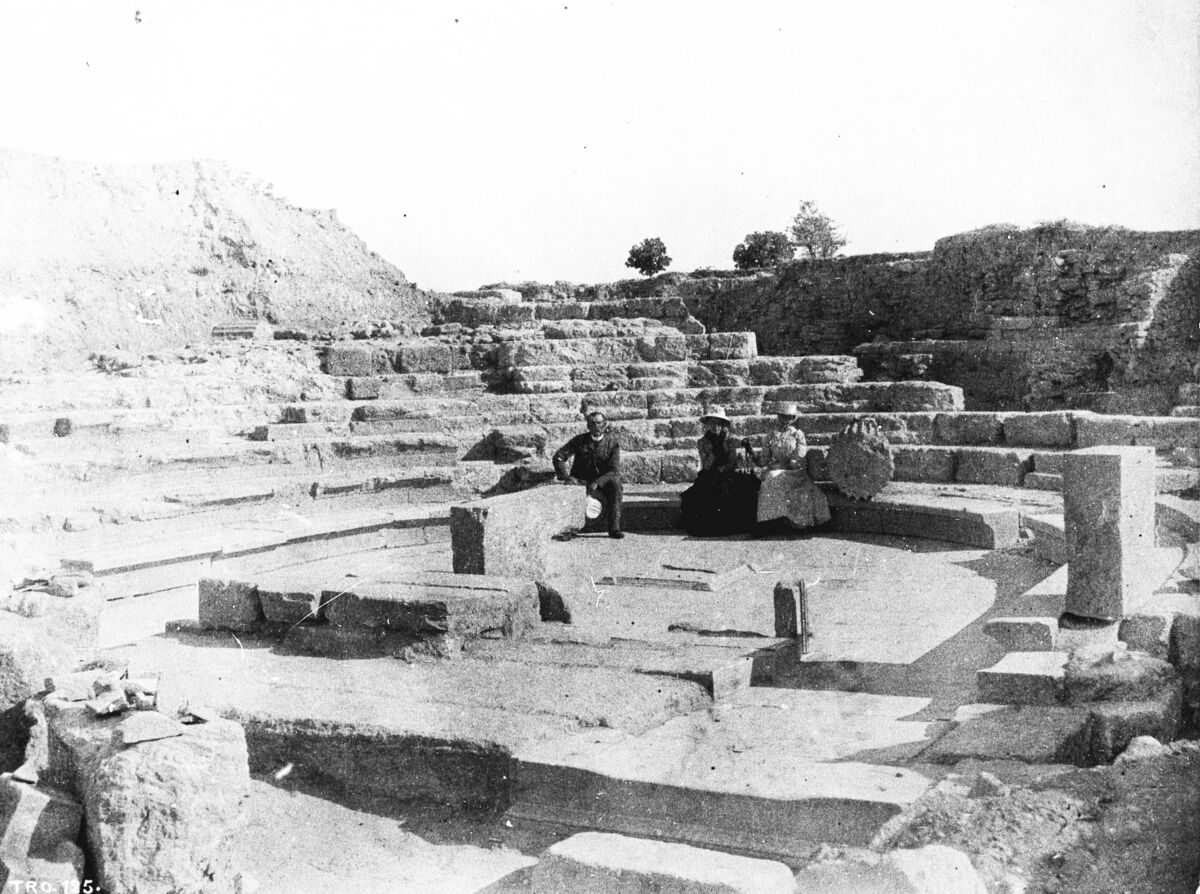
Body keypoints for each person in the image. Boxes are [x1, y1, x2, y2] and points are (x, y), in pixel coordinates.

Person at [747, 402, 830, 534]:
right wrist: (753, 455)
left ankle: (789, 522)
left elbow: (799, 456)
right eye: (782, 417)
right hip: (776, 470)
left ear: (793, 419)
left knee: (774, 477)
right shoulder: (770, 436)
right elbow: (764, 460)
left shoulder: (797, 435)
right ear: (778, 417)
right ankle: (767, 521)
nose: (785, 420)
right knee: (770, 478)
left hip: (795, 472)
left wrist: (792, 461)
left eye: (788, 417)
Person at [679, 406, 760, 536]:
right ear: (708, 424)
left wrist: (722, 462)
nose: (715, 426)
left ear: (722, 425)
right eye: (712, 423)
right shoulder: (702, 442)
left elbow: (732, 463)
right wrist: (714, 449)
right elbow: (706, 465)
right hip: (709, 474)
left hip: (726, 474)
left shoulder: (729, 441)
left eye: (718, 423)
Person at [552, 409, 624, 539]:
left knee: (616, 485)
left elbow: (614, 470)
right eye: (592, 424)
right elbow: (559, 456)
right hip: (581, 480)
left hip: (602, 481)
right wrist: (565, 477)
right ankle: (569, 529)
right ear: (588, 426)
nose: (596, 427)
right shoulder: (579, 440)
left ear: (605, 424)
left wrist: (598, 482)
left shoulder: (613, 443)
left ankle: (614, 528)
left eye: (599, 423)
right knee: (569, 488)